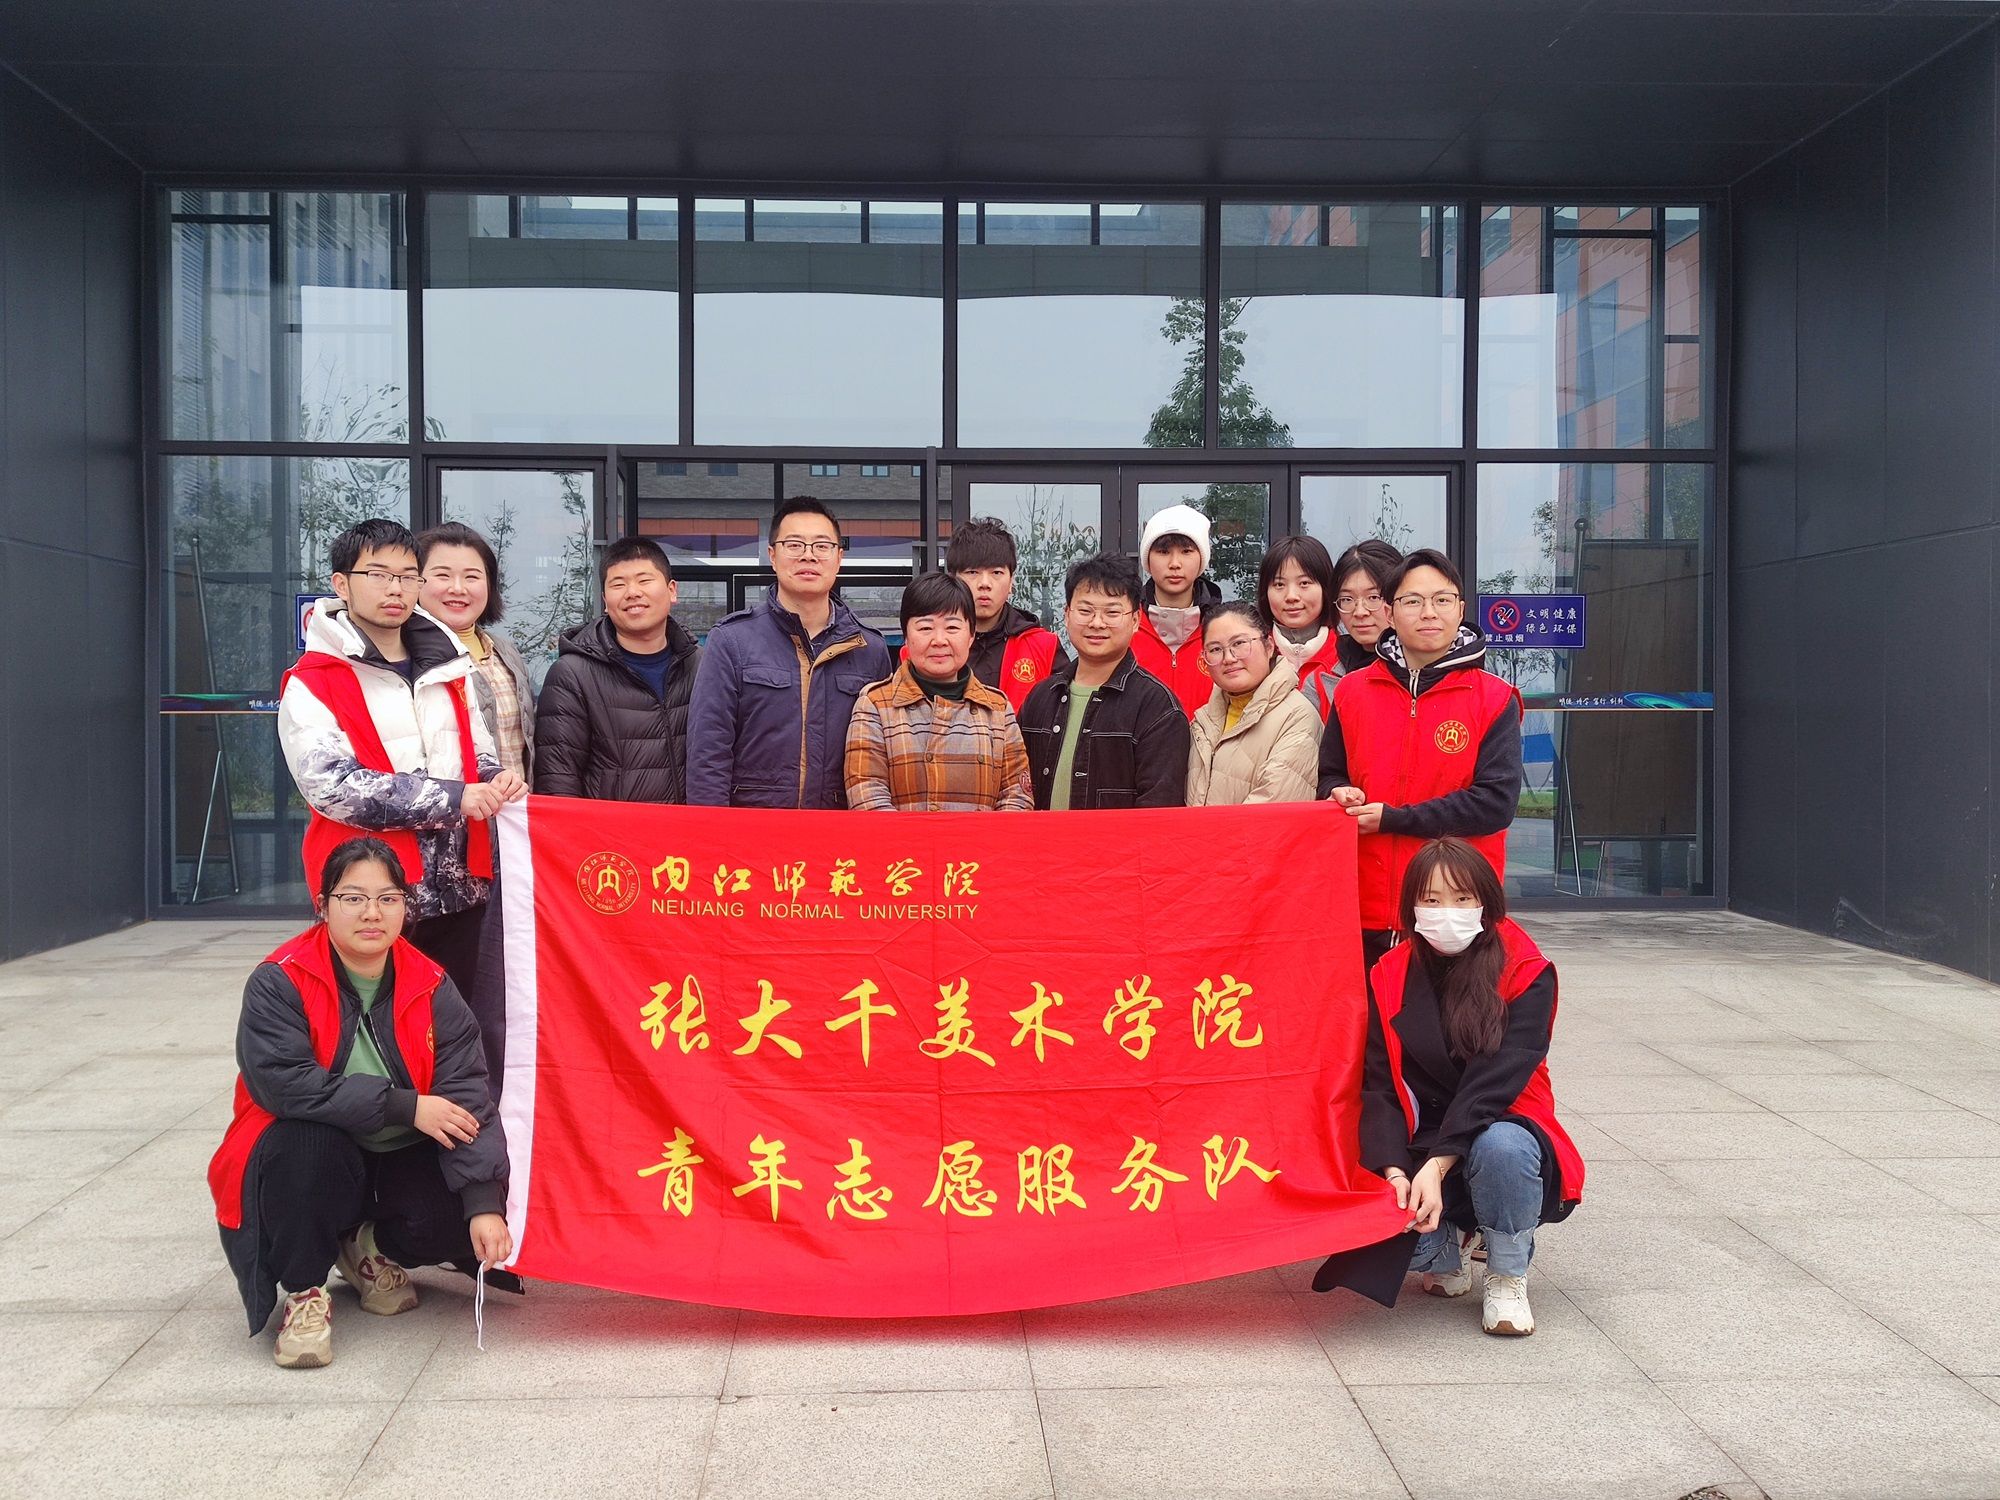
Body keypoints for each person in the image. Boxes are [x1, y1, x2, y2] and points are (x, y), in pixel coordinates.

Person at [207, 837, 512, 1367]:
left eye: (388, 898)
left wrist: (485, 1203)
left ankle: (365, 1245)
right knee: (305, 1150)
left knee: (455, 1215)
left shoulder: (432, 984)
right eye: (353, 898)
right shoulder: (281, 978)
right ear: (322, 905)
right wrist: (406, 1107)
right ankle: (305, 1292)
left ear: (405, 907)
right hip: (315, 1144)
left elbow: (466, 1091)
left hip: (395, 1152)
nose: (372, 913)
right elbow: (284, 1084)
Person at [279, 519, 524, 1002]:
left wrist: (498, 778)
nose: (395, 588)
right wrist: (455, 798)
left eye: (408, 576)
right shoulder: (313, 679)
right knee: (375, 1017)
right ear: (341, 583)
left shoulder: (450, 666)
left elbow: (477, 752)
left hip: (460, 888)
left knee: (459, 1017)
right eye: (378, 574)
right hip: (374, 894)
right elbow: (332, 787)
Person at [1357, 837, 1583, 1336]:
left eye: (1462, 899)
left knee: (1501, 1147)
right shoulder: (1389, 973)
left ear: (1487, 902)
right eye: (1431, 899)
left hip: (1500, 1121)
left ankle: (1507, 1272)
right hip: (1420, 1134)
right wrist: (1393, 1171)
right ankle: (1446, 1242)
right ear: (1411, 907)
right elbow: (1379, 1082)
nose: (1447, 913)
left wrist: (1438, 1166)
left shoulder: (1525, 969)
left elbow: (1492, 1084)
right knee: (1374, 1231)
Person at [1317, 548, 1522, 974]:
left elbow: (1494, 804)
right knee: (1369, 1017)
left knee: (1458, 1016)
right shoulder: (1352, 692)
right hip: (1363, 904)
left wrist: (1393, 819)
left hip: (1455, 909)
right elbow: (1329, 774)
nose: (1429, 612)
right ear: (1390, 613)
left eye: (1442, 600)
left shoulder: (1494, 697)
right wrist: (1337, 792)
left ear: (1460, 610)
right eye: (1412, 601)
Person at [686, 496, 893, 809]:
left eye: (821, 546)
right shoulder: (731, 641)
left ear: (839, 557)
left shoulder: (869, 649)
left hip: (839, 829)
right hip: (755, 827)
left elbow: (881, 757)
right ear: (772, 555)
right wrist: (713, 830)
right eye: (794, 544)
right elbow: (708, 754)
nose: (808, 555)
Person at [534, 536, 703, 803]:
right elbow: (558, 782)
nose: (632, 592)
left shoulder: (702, 666)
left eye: (644, 580)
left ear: (672, 590)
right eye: (618, 584)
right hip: (609, 829)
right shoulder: (572, 674)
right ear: (605, 599)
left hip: (691, 827)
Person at [845, 573, 1034, 811]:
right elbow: (867, 794)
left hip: (983, 837)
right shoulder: (875, 704)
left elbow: (1017, 796)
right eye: (925, 628)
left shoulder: (997, 708)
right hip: (901, 837)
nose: (939, 640)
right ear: (906, 636)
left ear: (971, 635)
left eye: (952, 627)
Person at [1018, 554, 1191, 809]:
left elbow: (1158, 810)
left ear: (1135, 620)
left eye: (1112, 612)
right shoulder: (1041, 697)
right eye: (1085, 611)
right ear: (1066, 615)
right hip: (1039, 837)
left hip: (1119, 838)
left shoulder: (1157, 707)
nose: (1097, 623)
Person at [415, 521, 537, 783]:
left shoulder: (505, 652)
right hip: (455, 805)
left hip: (515, 806)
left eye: (471, 577)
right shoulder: (406, 657)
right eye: (443, 575)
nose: (458, 588)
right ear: (416, 581)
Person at [1184, 601, 1323, 807]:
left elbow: (1270, 810)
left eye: (1239, 644)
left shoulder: (1297, 717)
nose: (1228, 658)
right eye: (1215, 649)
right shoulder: (1202, 721)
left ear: (1269, 646)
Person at [945, 516, 1061, 711]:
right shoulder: (924, 647)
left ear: (1011, 581)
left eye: (996, 573)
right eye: (972, 572)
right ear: (952, 579)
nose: (985, 584)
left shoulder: (1044, 647)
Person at [1130, 502, 1221, 718]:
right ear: (1147, 559)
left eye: (1186, 551)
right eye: (1163, 552)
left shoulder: (1224, 629)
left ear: (1202, 558)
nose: (1175, 563)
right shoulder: (1124, 627)